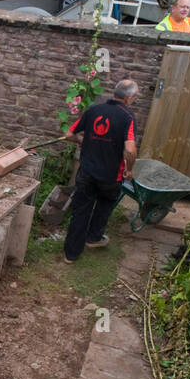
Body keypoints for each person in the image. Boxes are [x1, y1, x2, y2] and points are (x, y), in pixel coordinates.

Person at [63, 78, 138, 264]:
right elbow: (130, 149)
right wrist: (129, 170)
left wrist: (82, 141)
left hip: (86, 172)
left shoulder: (93, 110)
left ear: (115, 93)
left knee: (80, 211)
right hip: (110, 176)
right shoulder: (127, 117)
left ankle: (70, 255)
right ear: (129, 98)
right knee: (104, 205)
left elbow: (69, 134)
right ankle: (94, 238)